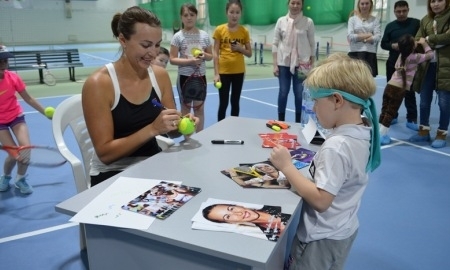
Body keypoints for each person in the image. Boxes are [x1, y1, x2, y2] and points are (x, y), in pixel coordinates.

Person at [269, 54, 380, 270]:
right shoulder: (364, 128)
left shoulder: (337, 146)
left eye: (317, 102)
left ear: (337, 100)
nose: (314, 108)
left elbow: (321, 200)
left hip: (319, 239)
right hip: (342, 229)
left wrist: (286, 166)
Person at [82, 6, 199, 187]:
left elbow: (172, 131)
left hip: (152, 164)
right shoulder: (99, 84)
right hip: (112, 173)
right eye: (145, 45)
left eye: (157, 44)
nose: (152, 52)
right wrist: (152, 129)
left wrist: (184, 126)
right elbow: (105, 154)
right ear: (123, 40)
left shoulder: (159, 76)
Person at [0, 45, 50, 194]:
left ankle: (20, 178)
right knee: (14, 154)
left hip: (15, 116)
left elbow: (28, 98)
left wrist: (46, 113)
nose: (3, 64)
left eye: (5, 60)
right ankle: (6, 176)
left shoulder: (13, 78)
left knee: (25, 150)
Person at [409, 0, 450, 148]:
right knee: (424, 101)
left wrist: (427, 39)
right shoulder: (425, 20)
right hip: (427, 67)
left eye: (440, 0)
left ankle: (441, 133)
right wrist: (437, 42)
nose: (436, 4)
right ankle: (423, 132)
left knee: (444, 103)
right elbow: (416, 41)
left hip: (446, 67)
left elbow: (448, 37)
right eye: (432, 1)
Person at [379, 35, 434, 145]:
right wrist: (424, 44)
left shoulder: (402, 55)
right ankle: (382, 135)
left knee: (385, 110)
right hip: (399, 89)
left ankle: (378, 133)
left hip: (389, 85)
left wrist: (412, 43)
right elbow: (430, 55)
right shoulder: (414, 57)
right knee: (390, 113)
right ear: (412, 47)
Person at [170, 3, 213, 132]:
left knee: (199, 109)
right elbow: (172, 59)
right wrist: (190, 61)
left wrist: (204, 55)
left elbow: (211, 56)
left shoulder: (204, 35)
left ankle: (200, 136)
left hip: (201, 78)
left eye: (192, 15)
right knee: (185, 109)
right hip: (184, 78)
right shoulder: (178, 37)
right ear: (181, 17)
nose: (189, 18)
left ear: (196, 16)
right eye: (186, 15)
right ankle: (187, 138)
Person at [272, 0, 315, 122]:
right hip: (283, 63)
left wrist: (312, 64)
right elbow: (275, 43)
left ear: (302, 5)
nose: (295, 6)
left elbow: (312, 44)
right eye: (293, 3)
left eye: (298, 3)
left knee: (299, 93)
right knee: (283, 92)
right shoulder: (281, 21)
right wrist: (275, 64)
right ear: (288, 4)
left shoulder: (308, 22)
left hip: (303, 64)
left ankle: (298, 121)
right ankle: (281, 120)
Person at [381, 0, 421, 130]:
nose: (401, 13)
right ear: (394, 12)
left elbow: (420, 40)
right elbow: (383, 43)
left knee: (409, 92)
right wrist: (393, 46)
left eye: (404, 11)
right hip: (393, 63)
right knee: (391, 93)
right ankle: (392, 116)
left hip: (410, 65)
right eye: (398, 11)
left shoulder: (415, 23)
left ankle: (412, 118)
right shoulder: (390, 26)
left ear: (408, 10)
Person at [213, 0, 252, 121]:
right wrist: (216, 73)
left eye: (237, 12)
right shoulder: (219, 30)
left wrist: (240, 48)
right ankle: (220, 127)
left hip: (239, 72)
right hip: (224, 72)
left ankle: (235, 127)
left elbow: (249, 53)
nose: (234, 15)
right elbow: (215, 52)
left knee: (235, 102)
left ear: (241, 13)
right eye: (231, 12)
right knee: (223, 103)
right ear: (226, 13)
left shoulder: (244, 31)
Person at [202, 203, 290, 241]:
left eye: (231, 209)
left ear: (238, 205)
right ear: (230, 223)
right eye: (228, 216)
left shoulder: (274, 204)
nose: (238, 213)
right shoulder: (269, 235)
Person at [347, 0, 381, 77]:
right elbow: (350, 36)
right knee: (353, 79)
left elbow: (377, 37)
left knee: (368, 80)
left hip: (369, 54)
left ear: (370, 5)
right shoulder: (352, 19)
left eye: (367, 3)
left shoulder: (375, 20)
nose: (364, 6)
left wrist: (360, 37)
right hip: (354, 53)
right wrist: (369, 34)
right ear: (359, 5)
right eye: (362, 4)